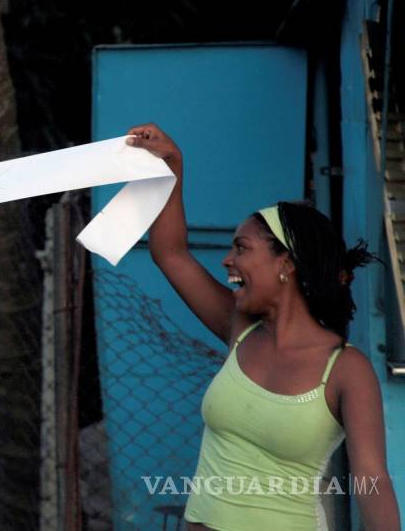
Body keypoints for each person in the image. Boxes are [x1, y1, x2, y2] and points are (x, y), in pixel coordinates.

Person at [127, 124, 400, 531]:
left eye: (242, 248)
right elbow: (170, 253)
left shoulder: (345, 370)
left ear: (286, 264)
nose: (227, 261)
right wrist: (173, 166)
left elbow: (372, 480)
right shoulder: (242, 331)